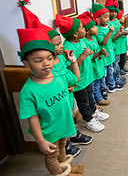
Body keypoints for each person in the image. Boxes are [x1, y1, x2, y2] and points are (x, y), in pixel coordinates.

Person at [17, 28, 85, 175]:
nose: (46, 63)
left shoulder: (58, 76)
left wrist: (73, 62)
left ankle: (67, 167)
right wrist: (40, 141)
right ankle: (61, 173)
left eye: (49, 58)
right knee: (52, 156)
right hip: (49, 130)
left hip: (64, 123)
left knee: (63, 148)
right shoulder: (28, 91)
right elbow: (32, 118)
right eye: (38, 60)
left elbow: (76, 79)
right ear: (26, 63)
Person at [57, 14, 106, 133]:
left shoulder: (82, 41)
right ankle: (89, 120)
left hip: (88, 77)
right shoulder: (68, 47)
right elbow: (70, 66)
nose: (84, 28)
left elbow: (89, 57)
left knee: (90, 96)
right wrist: (83, 55)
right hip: (79, 81)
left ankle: (93, 112)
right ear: (75, 33)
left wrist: (98, 53)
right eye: (82, 27)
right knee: (83, 101)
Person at [92, 3, 125, 93]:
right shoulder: (98, 30)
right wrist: (110, 32)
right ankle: (104, 88)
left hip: (110, 54)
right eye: (105, 17)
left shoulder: (107, 27)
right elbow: (103, 42)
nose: (108, 19)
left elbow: (112, 39)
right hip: (104, 57)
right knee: (104, 74)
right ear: (98, 19)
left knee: (111, 70)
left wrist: (119, 33)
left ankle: (112, 84)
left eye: (108, 17)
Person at [105, 0, 128, 87]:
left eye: (115, 12)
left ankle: (117, 77)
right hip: (115, 47)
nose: (114, 14)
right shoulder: (109, 24)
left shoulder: (116, 21)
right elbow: (112, 37)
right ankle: (115, 80)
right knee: (115, 65)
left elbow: (120, 30)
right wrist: (120, 33)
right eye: (111, 12)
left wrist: (124, 32)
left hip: (120, 46)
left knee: (118, 62)